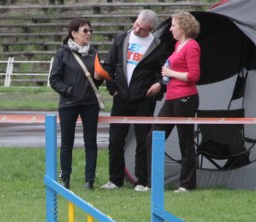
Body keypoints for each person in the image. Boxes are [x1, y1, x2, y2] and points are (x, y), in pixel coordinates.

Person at [101, 9, 170, 192]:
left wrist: (160, 85)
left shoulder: (158, 45)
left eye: (143, 28)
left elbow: (164, 71)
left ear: (151, 29)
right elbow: (108, 66)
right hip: (121, 98)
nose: (137, 29)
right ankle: (115, 179)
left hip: (144, 100)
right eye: (137, 24)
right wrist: (112, 89)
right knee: (115, 140)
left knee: (142, 141)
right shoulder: (121, 38)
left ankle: (142, 181)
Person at [145, 11, 201, 193]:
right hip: (171, 97)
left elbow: (194, 75)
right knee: (153, 137)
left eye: (173, 25)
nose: (170, 29)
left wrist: (171, 74)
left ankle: (187, 184)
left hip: (185, 98)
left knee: (185, 141)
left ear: (183, 27)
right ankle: (153, 183)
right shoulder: (178, 45)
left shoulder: (192, 46)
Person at [49, 17, 104, 191]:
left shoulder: (94, 53)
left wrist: (99, 78)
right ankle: (64, 178)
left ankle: (90, 180)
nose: (88, 34)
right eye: (85, 31)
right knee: (67, 143)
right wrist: (69, 91)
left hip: (90, 103)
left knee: (91, 142)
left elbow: (98, 82)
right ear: (73, 34)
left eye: (90, 31)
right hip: (68, 103)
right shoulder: (62, 53)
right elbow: (54, 79)